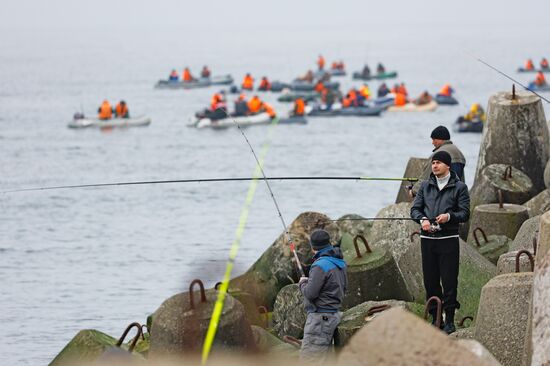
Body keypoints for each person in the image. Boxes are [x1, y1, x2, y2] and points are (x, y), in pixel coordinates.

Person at [411, 151, 470, 335]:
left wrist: (449, 217)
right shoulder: (425, 186)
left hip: (448, 241)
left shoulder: (459, 187)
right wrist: (422, 220)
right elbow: (414, 209)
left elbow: (465, 213)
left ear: (447, 166)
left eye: (438, 163)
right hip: (427, 240)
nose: (434, 166)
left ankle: (450, 321)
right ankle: (435, 319)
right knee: (430, 282)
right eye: (433, 162)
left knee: (449, 281)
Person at [299, 229, 347, 362]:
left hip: (319, 319)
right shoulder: (339, 262)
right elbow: (342, 287)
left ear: (313, 247)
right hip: (333, 315)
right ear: (329, 243)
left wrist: (303, 283)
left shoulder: (320, 265)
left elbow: (310, 293)